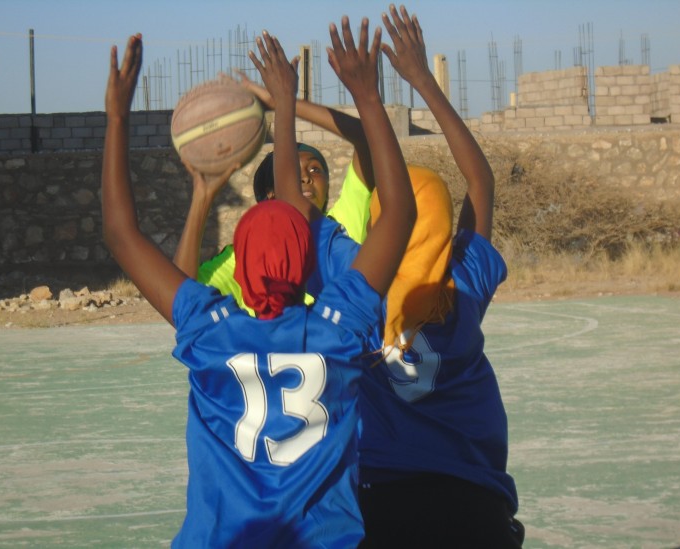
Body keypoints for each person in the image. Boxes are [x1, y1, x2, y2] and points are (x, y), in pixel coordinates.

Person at [101, 16, 415, 548]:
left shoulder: (210, 327)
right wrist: (362, 92)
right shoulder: (339, 330)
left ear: (237, 271)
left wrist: (117, 117)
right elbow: (401, 212)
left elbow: (120, 232)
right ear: (307, 262)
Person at [306, 5, 524, 547]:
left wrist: (282, 105)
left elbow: (297, 204)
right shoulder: (464, 286)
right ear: (444, 227)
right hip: (475, 503)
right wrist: (420, 79)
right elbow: (480, 181)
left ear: (382, 221)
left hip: (382, 500)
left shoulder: (356, 284)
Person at [173, 74, 376, 313]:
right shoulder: (244, 254)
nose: (305, 177)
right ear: (269, 195)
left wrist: (285, 103)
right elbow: (181, 295)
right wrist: (202, 197)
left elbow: (366, 139)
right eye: (291, 174)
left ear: (328, 188)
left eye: (315, 169)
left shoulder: (342, 225)